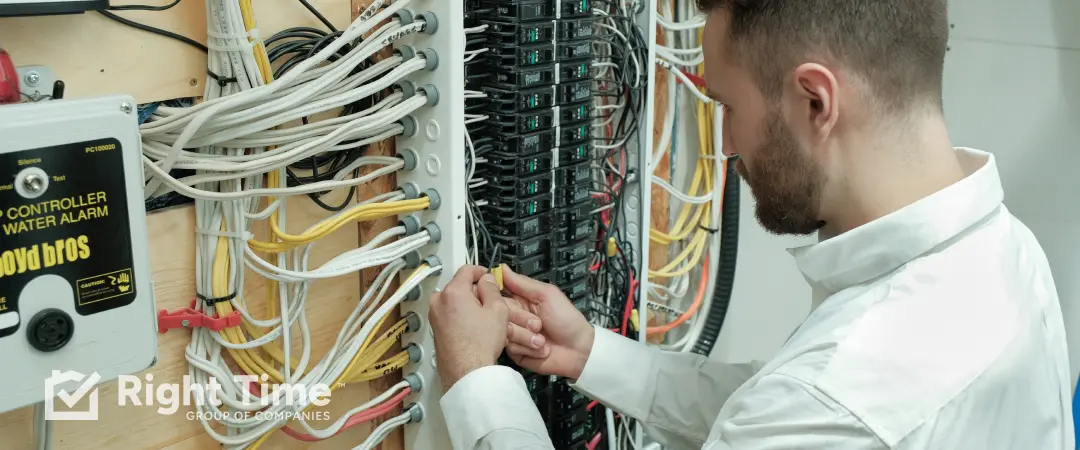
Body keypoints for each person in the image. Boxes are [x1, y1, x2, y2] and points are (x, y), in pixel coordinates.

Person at [428, 0, 1074, 448]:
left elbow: (810, 409)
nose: (727, 144)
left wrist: (475, 381)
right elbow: (776, 409)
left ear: (815, 101)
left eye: (726, 106)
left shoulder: (842, 392)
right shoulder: (1003, 250)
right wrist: (589, 353)